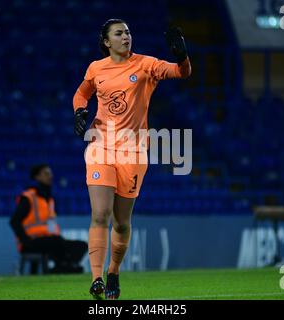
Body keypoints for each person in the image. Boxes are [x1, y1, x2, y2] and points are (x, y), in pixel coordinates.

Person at [72, 19, 191, 299]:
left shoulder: (146, 64)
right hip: (100, 147)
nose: (126, 36)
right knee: (99, 214)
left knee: (121, 222)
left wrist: (182, 55)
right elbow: (81, 93)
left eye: (127, 32)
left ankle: (114, 271)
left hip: (133, 152)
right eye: (119, 33)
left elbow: (181, 72)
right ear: (106, 42)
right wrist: (79, 111)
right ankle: (97, 278)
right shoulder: (96, 68)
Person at [9, 164, 88, 274]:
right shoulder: (29, 197)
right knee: (56, 242)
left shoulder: (49, 199)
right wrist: (26, 241)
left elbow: (50, 224)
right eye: (46, 173)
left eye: (50, 173)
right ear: (37, 177)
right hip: (31, 242)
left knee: (82, 245)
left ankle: (65, 266)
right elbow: (14, 221)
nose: (50, 176)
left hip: (49, 240)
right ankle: (64, 267)